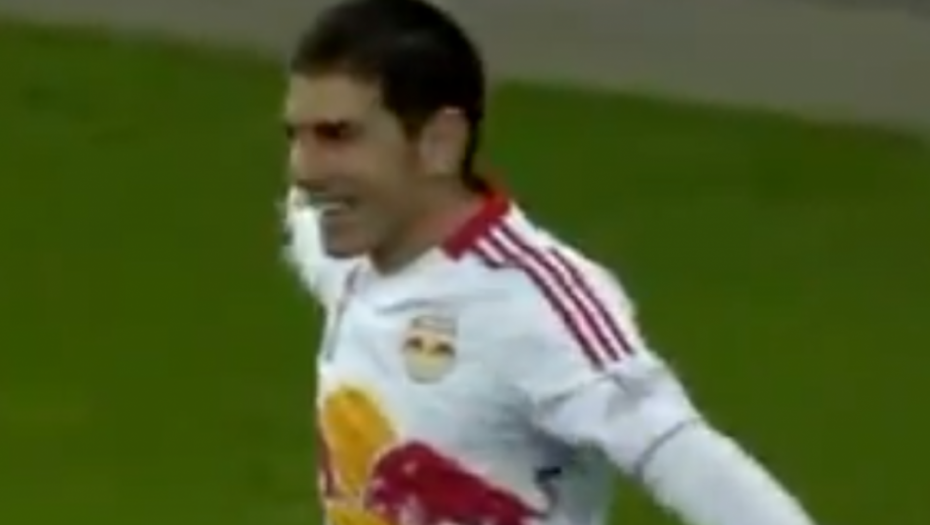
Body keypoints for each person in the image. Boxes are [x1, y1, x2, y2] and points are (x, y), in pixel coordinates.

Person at [282, 1, 818, 525]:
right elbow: (302, 215)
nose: (304, 168)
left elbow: (677, 452)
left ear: (439, 143)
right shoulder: (347, 256)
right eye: (296, 136)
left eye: (338, 135)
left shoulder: (532, 303)